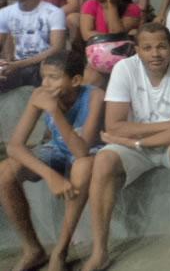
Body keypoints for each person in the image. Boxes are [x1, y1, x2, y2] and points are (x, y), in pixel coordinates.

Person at [82, 23, 170, 271]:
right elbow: (114, 125)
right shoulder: (123, 69)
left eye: (162, 46)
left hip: (168, 143)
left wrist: (135, 141)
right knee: (104, 160)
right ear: (137, 50)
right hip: (144, 144)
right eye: (148, 48)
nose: (155, 54)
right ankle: (100, 251)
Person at [0, 51, 104, 271]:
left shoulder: (94, 96)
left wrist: (54, 110)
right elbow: (14, 146)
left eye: (53, 77)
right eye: (43, 76)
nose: (45, 83)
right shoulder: (39, 95)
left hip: (89, 152)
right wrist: (51, 176)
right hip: (55, 150)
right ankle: (33, 249)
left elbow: (82, 151)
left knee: (83, 167)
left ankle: (61, 250)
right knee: (5, 172)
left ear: (75, 80)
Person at [0, 0, 66, 92]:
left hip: (43, 64)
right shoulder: (4, 13)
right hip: (17, 65)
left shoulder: (53, 13)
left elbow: (57, 48)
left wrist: (18, 64)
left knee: (47, 69)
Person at [80, 0, 141, 87]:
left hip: (124, 59)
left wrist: (111, 5)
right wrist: (112, 40)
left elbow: (116, 35)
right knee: (89, 82)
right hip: (98, 59)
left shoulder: (132, 9)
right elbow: (87, 34)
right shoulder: (90, 5)